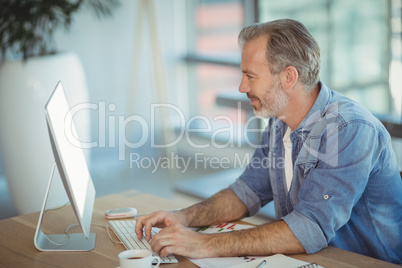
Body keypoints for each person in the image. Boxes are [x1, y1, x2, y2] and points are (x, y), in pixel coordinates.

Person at [135, 19, 402, 264]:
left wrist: (203, 244)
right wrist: (183, 217)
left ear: (288, 77)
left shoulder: (349, 128)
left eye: (250, 76)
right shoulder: (280, 119)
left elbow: (309, 228)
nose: (241, 87)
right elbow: (246, 192)